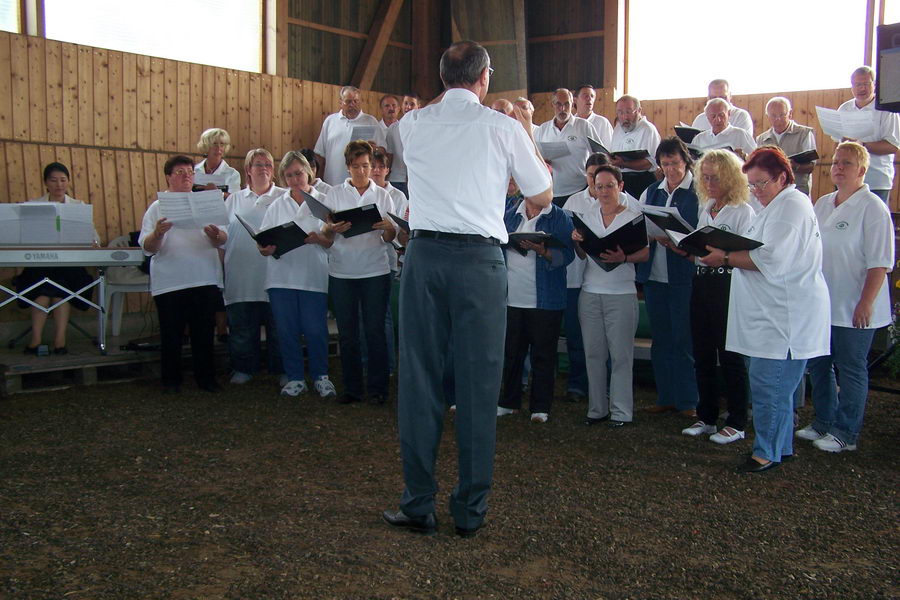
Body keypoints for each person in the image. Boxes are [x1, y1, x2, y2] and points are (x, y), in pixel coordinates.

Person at [383, 41, 552, 537]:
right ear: (485, 78)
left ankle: (418, 503)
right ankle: (470, 511)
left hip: (426, 256)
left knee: (419, 378)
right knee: (479, 384)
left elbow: (430, 143)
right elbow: (540, 193)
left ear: (441, 79)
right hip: (479, 260)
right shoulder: (503, 127)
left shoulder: (410, 124)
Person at [701, 147, 830, 472]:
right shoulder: (778, 205)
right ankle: (780, 446)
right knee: (778, 388)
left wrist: (726, 258)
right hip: (774, 313)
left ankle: (765, 452)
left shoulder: (790, 208)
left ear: (783, 177)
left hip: (782, 317)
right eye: (752, 185)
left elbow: (770, 259)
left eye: (761, 184)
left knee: (769, 386)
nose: (756, 192)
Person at [798, 142, 894, 452]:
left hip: (854, 306)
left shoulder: (873, 207)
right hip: (823, 303)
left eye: (847, 163)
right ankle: (823, 422)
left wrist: (865, 302)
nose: (838, 167)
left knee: (851, 368)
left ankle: (846, 433)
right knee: (819, 365)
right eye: (836, 162)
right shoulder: (824, 203)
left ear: (862, 171)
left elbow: (880, 263)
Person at [680, 150, 754, 444]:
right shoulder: (707, 205)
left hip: (728, 284)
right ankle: (707, 416)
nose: (709, 183)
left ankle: (737, 421)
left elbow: (748, 252)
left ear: (731, 178)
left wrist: (722, 257)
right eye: (705, 177)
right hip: (702, 281)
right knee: (702, 352)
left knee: (731, 355)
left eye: (715, 178)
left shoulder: (742, 210)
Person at [139, 155, 227, 393]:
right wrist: (157, 233)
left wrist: (216, 235)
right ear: (168, 177)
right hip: (170, 281)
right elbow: (147, 248)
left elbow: (224, 238)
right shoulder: (157, 208)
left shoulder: (206, 203)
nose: (186, 176)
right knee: (172, 335)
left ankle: (206, 379)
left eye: (189, 172)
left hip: (204, 277)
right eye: (180, 172)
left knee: (204, 334)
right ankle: (171, 381)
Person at [573, 165, 649, 427]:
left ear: (621, 186)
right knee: (593, 353)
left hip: (621, 292)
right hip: (591, 291)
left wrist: (624, 257)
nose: (604, 191)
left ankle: (621, 412)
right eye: (599, 186)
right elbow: (583, 255)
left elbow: (645, 253)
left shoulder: (633, 214)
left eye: (609, 186)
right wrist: (577, 242)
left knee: (621, 355)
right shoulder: (587, 214)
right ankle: (597, 409)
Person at [322, 140, 396, 405]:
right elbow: (325, 234)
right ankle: (352, 389)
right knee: (348, 332)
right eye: (356, 167)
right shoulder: (334, 194)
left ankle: (377, 389)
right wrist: (332, 229)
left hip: (375, 270)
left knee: (375, 331)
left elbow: (390, 238)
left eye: (366, 166)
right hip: (342, 271)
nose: (362, 172)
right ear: (347, 167)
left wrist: (387, 227)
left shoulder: (383, 195)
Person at [259, 151, 337, 398]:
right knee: (287, 330)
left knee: (315, 330)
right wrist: (266, 249)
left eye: (299, 173)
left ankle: (321, 376)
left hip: (313, 276)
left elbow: (334, 242)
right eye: (289, 175)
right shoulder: (276, 205)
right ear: (283, 178)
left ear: (309, 173)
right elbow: (263, 242)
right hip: (281, 277)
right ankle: (294, 377)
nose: (295, 179)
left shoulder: (324, 202)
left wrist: (320, 238)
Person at [496, 177, 574, 424]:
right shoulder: (510, 213)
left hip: (546, 299)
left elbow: (568, 255)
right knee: (512, 352)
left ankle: (540, 406)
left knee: (543, 354)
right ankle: (508, 401)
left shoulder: (559, 217)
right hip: (512, 297)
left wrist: (543, 251)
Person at [637, 137, 700, 417]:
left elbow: (703, 231)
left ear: (685, 161)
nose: (670, 169)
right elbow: (640, 225)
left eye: (674, 163)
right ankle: (666, 395)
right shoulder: (652, 191)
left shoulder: (698, 192)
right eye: (664, 164)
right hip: (655, 275)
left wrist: (682, 243)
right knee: (661, 338)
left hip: (684, 274)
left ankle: (688, 400)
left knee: (683, 339)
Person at [16, 162, 95, 355]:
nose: (59, 184)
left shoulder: (79, 206)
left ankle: (60, 341)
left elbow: (93, 236)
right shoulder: (33, 206)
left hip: (69, 264)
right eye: (53, 180)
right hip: (40, 263)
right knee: (41, 293)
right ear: (46, 183)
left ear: (68, 182)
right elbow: (23, 235)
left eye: (63, 180)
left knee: (61, 292)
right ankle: (36, 340)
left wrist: (90, 240)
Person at [222, 149, 285, 385]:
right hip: (241, 275)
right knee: (241, 327)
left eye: (268, 164)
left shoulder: (284, 197)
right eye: (258, 164)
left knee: (278, 327)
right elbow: (222, 237)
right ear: (248, 170)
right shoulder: (234, 200)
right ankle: (243, 367)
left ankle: (281, 369)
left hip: (275, 275)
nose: (264, 168)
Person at [835, 66, 900, 203]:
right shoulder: (844, 109)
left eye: (866, 84)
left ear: (875, 85)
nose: (862, 88)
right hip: (847, 178)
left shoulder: (886, 110)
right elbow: (837, 143)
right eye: (858, 84)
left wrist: (861, 145)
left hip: (876, 179)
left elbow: (893, 145)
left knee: (874, 222)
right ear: (852, 86)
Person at [535, 88, 603, 206]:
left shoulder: (584, 126)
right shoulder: (542, 129)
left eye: (567, 104)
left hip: (579, 190)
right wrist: (542, 162)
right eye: (558, 104)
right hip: (551, 193)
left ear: (572, 104)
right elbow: (534, 157)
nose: (563, 109)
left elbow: (599, 157)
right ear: (552, 105)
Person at [313, 86, 386, 186]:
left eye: (356, 101)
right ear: (340, 102)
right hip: (332, 183)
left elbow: (382, 151)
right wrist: (318, 179)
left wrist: (375, 149)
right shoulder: (330, 121)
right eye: (348, 101)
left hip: (361, 184)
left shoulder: (370, 121)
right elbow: (320, 154)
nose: (352, 105)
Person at [756, 97, 817, 196]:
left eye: (782, 115)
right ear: (768, 117)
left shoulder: (804, 134)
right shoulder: (762, 139)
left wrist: (794, 166)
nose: (778, 119)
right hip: (771, 194)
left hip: (797, 191)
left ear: (790, 114)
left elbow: (811, 166)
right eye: (773, 115)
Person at [610, 95, 661, 199]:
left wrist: (623, 163)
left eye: (628, 112)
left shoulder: (648, 129)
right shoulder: (618, 129)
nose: (625, 117)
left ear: (639, 111)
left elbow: (650, 163)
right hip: (620, 179)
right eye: (620, 112)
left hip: (641, 181)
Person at [690, 98, 757, 159]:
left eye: (721, 115)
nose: (718, 119)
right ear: (707, 118)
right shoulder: (699, 139)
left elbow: (756, 158)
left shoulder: (741, 135)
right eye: (713, 116)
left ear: (729, 114)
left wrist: (744, 156)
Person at [385, 93, 421, 197]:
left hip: (416, 178)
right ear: (401, 106)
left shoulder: (423, 128)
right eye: (406, 103)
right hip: (396, 178)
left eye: (412, 104)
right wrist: (386, 177)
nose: (408, 107)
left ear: (419, 106)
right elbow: (389, 155)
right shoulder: (393, 128)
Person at [194, 128, 241, 193]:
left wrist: (217, 192)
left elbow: (234, 199)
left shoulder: (232, 174)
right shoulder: (194, 171)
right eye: (214, 144)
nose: (219, 148)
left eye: (222, 144)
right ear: (206, 146)